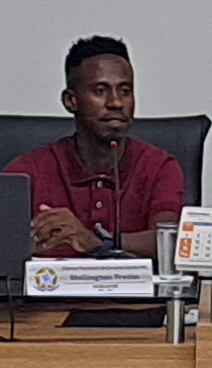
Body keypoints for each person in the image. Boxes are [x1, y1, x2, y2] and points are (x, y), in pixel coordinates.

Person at [11, 37, 188, 259]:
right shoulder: (28, 171)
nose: (116, 103)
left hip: (135, 284)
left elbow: (169, 242)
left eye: (125, 91)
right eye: (101, 90)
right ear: (71, 101)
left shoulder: (159, 167)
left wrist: (96, 242)